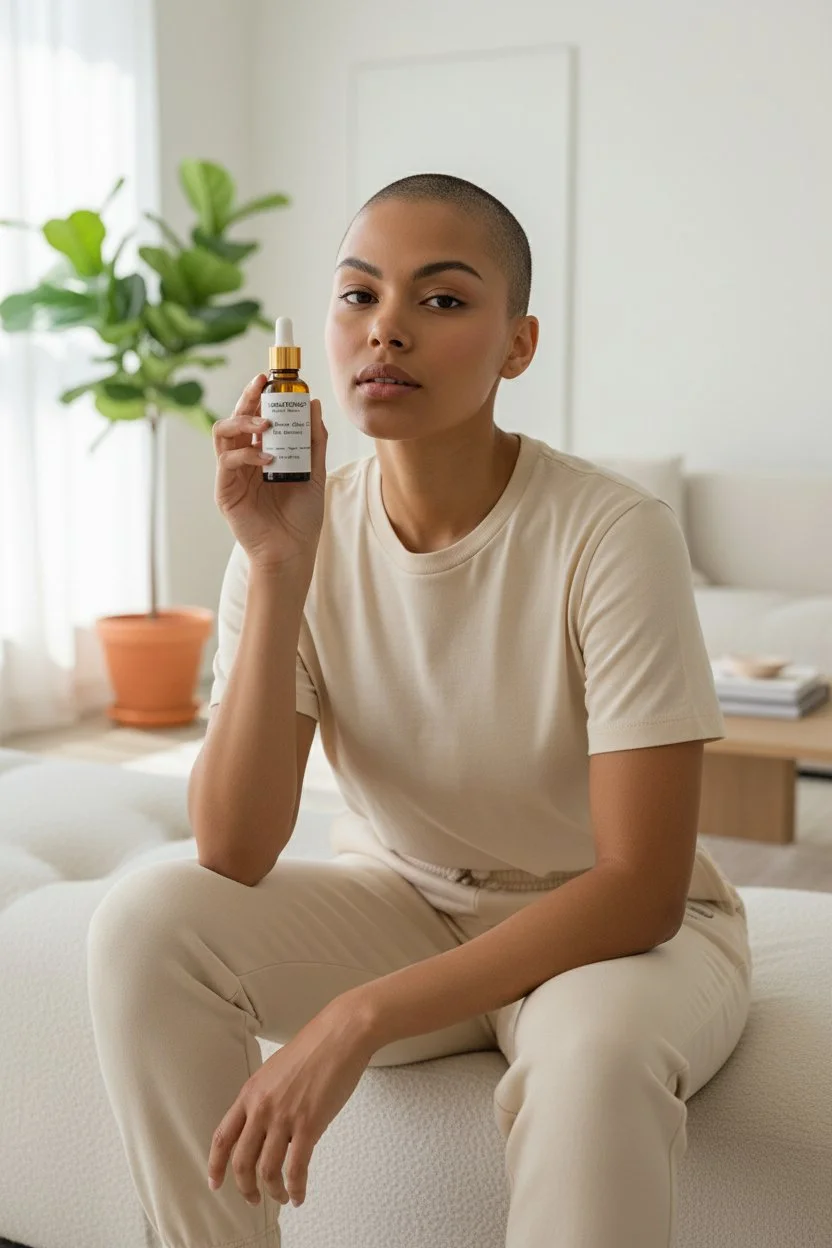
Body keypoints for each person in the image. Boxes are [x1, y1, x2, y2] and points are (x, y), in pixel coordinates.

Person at [86, 173, 752, 1248]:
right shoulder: (287, 532)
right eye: (358, 296)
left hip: (609, 941)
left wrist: (361, 1014)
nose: (384, 328)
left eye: (440, 301)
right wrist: (277, 567)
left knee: (590, 1060)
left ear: (516, 345)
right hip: (407, 902)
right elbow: (233, 846)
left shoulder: (613, 533)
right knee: (143, 922)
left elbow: (641, 891)